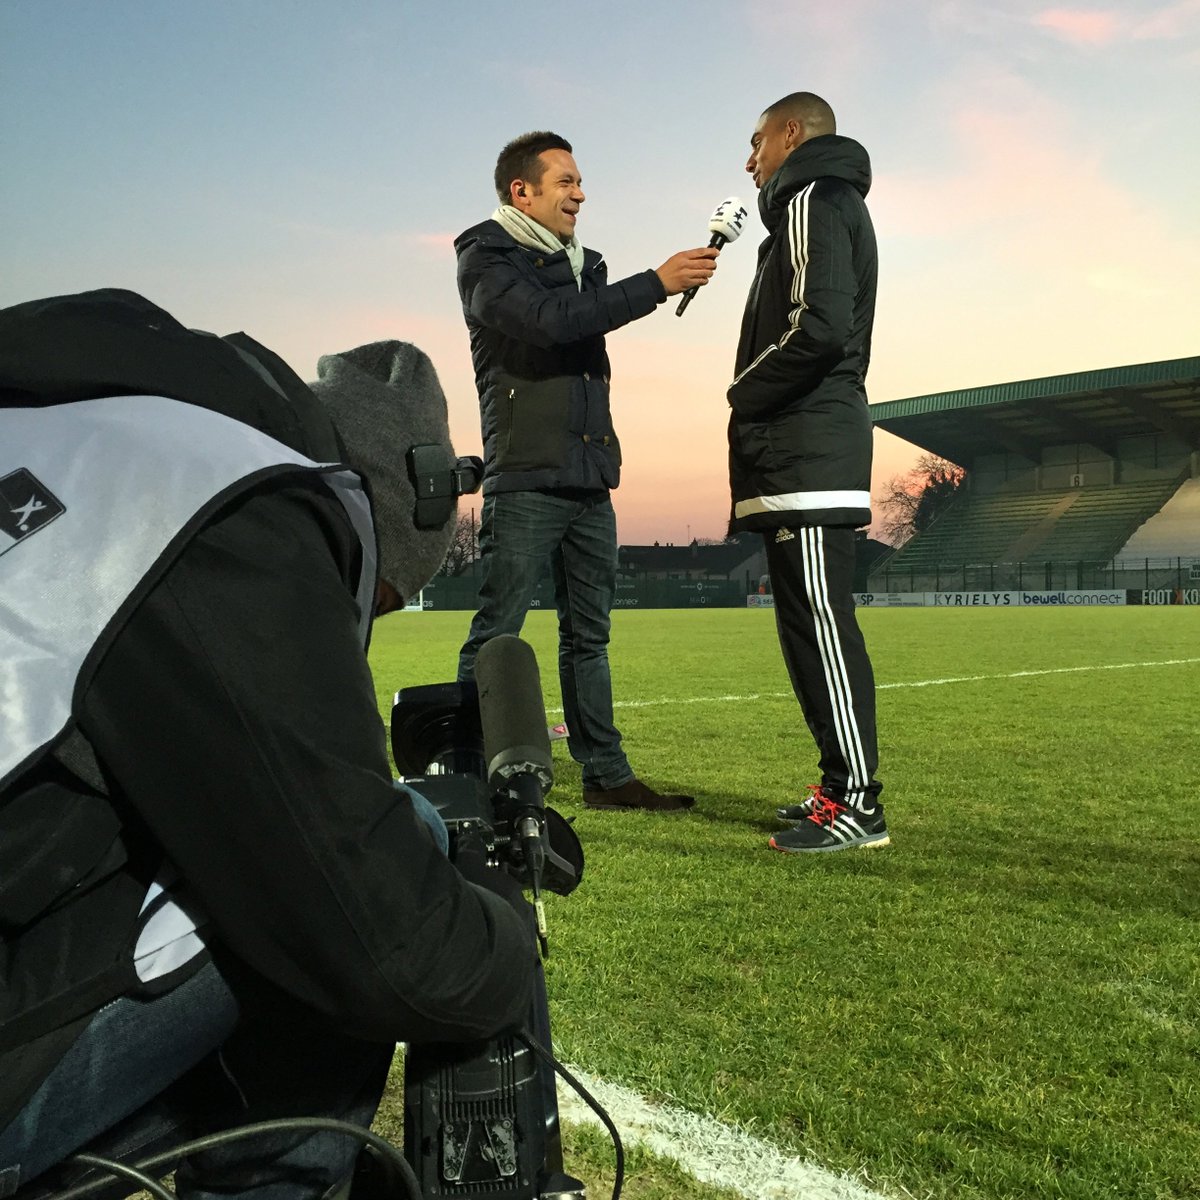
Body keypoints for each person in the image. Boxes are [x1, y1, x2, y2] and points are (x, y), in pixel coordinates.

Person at [0, 290, 538, 1197]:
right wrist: (503, 923)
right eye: (372, 607)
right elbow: (386, 946)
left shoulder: (79, 420)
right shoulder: (214, 495)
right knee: (337, 884)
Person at [454, 131, 718, 813]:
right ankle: (465, 769)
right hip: (527, 477)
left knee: (589, 638)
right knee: (498, 633)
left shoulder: (583, 264)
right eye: (565, 182)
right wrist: (654, 284)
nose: (580, 194)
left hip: (589, 476)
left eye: (579, 182)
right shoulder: (485, 259)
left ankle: (605, 774)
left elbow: (578, 329)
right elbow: (549, 322)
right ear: (523, 192)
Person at [727, 92, 889, 853]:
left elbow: (818, 328)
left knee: (822, 627)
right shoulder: (814, 204)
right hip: (798, 455)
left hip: (808, 453)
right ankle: (835, 791)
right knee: (805, 631)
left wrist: (742, 392)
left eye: (757, 141)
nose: (750, 157)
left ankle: (858, 805)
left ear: (792, 135)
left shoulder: (811, 195)